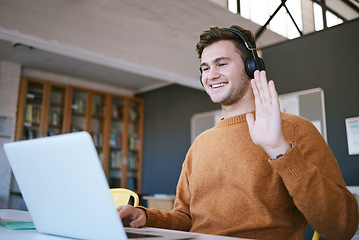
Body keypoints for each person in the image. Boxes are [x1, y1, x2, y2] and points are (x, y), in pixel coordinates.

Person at [118, 25, 359, 240]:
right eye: (205, 68)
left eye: (222, 64)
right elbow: (185, 218)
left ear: (251, 66)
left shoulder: (296, 130)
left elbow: (342, 228)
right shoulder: (201, 144)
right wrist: (145, 218)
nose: (211, 75)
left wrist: (279, 150)